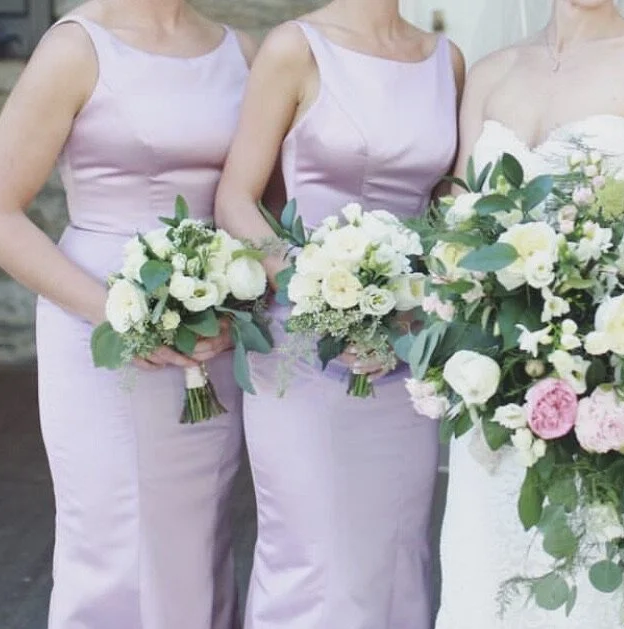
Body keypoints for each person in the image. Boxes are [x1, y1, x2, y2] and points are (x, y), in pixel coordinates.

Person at [434, 1, 624, 627]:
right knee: (483, 591)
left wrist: (602, 330)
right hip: (496, 403)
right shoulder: (489, 72)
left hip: (604, 404)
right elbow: (454, 239)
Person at [0, 0, 256, 626]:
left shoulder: (241, 52)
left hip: (208, 327)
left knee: (199, 537)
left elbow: (255, 201)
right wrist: (116, 315)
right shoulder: (78, 46)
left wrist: (237, 305)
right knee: (112, 538)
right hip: (97, 325)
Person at [212, 0, 463, 627]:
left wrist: (420, 305)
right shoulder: (294, 48)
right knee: (314, 555)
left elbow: (446, 212)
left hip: (403, 348)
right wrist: (313, 291)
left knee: (394, 552)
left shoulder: (447, 61)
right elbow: (237, 200)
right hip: (301, 348)